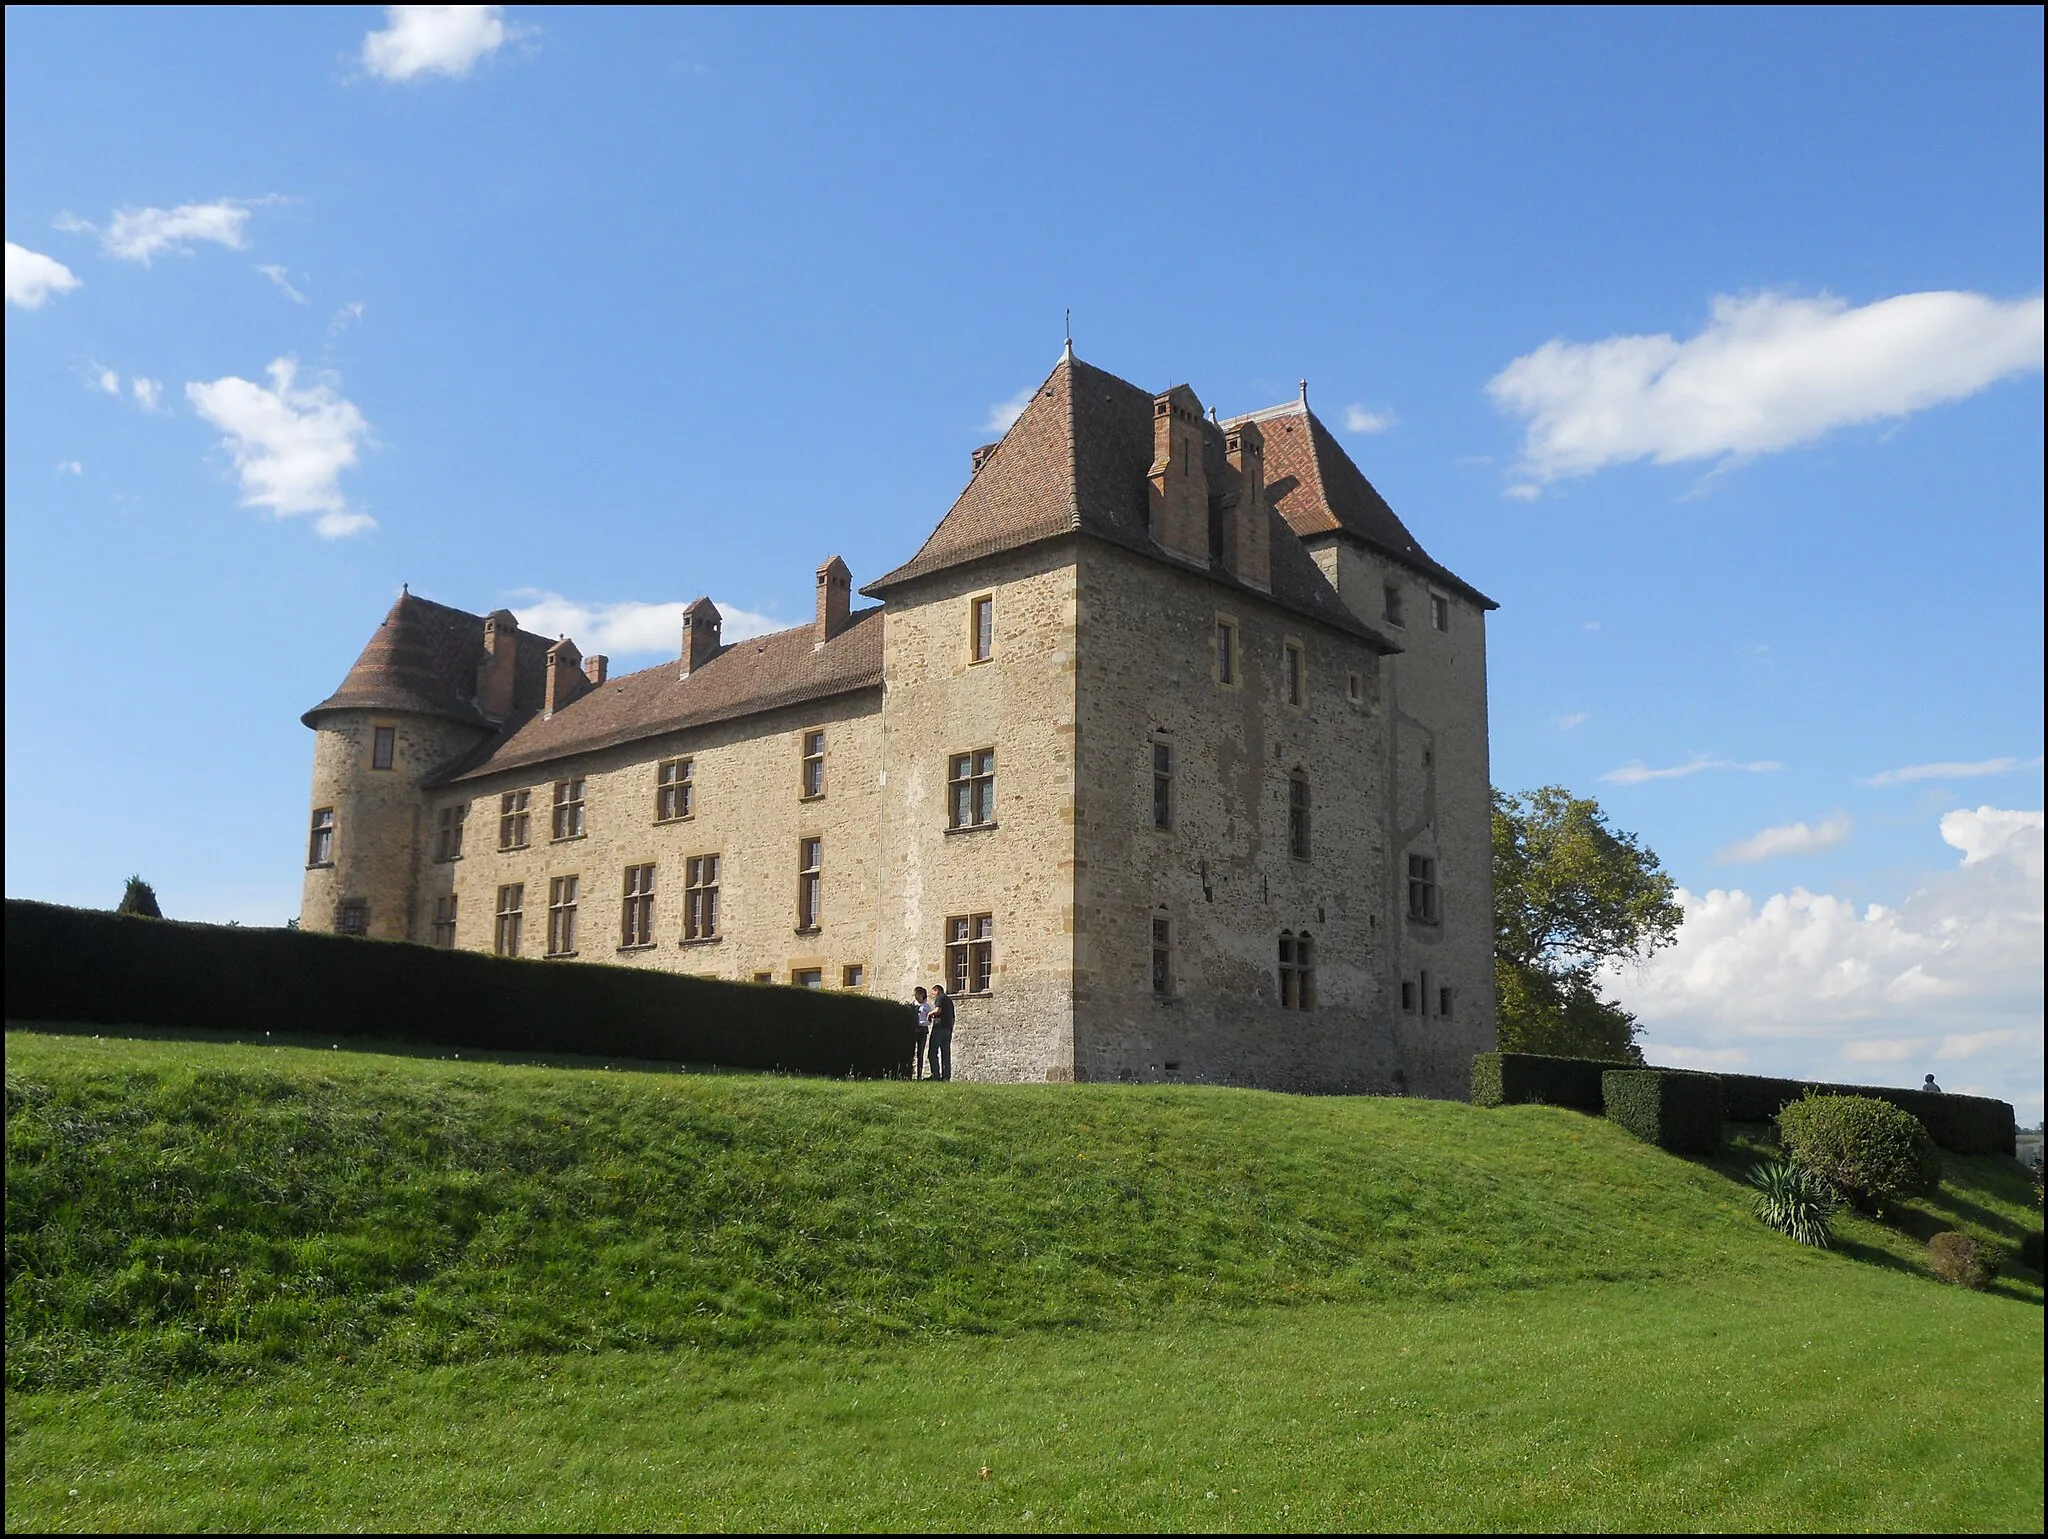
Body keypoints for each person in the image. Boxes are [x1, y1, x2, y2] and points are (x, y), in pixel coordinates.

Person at [927, 982, 955, 1082]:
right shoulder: (949, 1001)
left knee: (932, 1052)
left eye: (933, 993)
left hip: (939, 1028)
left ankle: (935, 1075)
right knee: (945, 1053)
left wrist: (929, 1013)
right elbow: (952, 1018)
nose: (933, 996)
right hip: (948, 1029)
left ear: (936, 991)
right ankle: (946, 1076)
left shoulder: (940, 997)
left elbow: (938, 1010)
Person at [910, 986, 931, 1080]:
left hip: (922, 1029)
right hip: (913, 1029)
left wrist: (924, 1022)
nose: (916, 997)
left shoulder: (927, 1007)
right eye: (915, 995)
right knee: (911, 1051)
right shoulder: (913, 1005)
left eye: (917, 995)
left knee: (920, 1052)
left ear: (922, 995)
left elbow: (929, 1020)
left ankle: (919, 1074)